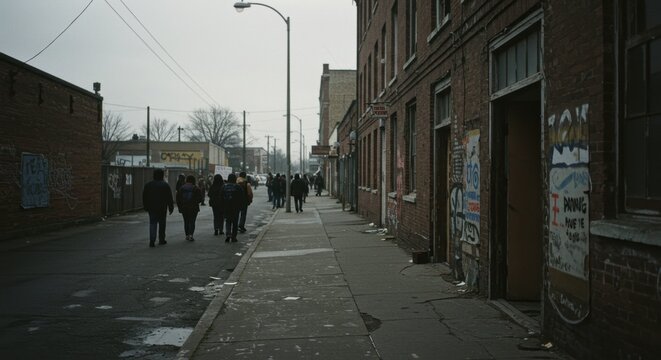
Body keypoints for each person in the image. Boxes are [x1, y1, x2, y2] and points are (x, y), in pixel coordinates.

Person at [142, 169, 174, 248]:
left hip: (151, 207)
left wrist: (145, 206)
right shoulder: (165, 185)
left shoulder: (148, 185)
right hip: (162, 208)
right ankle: (161, 239)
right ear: (162, 175)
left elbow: (144, 197)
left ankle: (152, 240)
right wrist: (171, 207)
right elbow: (169, 197)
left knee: (152, 223)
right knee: (162, 223)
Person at [176, 175, 203, 241]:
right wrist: (195, 202)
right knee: (192, 221)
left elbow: (178, 199)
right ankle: (191, 235)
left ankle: (187, 235)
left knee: (186, 221)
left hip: (184, 207)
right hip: (194, 208)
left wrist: (180, 207)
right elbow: (200, 198)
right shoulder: (196, 188)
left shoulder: (182, 188)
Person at [221, 173, 245, 243]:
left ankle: (228, 234)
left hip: (226, 206)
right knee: (235, 222)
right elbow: (242, 198)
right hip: (235, 207)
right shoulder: (238, 187)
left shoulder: (224, 186)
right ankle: (234, 237)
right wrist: (242, 206)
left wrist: (222, 206)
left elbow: (221, 197)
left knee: (228, 221)